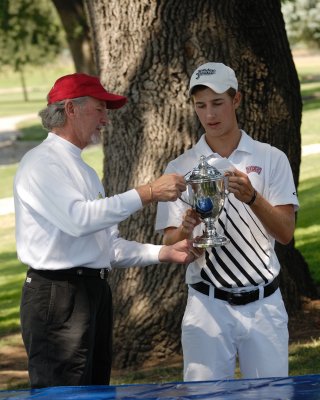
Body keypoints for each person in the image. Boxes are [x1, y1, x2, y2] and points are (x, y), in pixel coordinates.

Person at [13, 72, 199, 388]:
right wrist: (148, 192)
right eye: (100, 109)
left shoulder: (83, 170)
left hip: (91, 293)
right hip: (58, 296)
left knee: (95, 390)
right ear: (70, 109)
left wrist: (164, 252)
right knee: (63, 396)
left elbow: (107, 248)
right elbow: (78, 219)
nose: (105, 120)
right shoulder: (41, 163)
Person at [155, 62, 299, 381]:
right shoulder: (180, 166)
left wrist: (252, 197)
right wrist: (186, 231)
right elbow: (171, 245)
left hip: (264, 303)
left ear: (236, 100)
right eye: (201, 105)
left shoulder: (270, 158)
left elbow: (286, 233)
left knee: (271, 395)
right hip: (207, 304)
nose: (210, 114)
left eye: (218, 103)